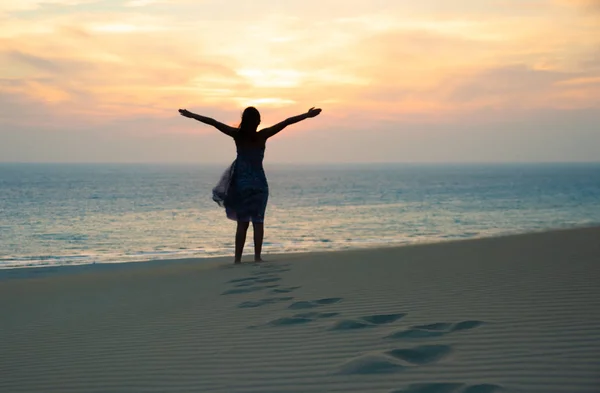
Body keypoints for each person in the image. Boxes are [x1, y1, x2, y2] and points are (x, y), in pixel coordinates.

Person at [178, 106, 322, 263]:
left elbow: (213, 122)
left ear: (243, 121)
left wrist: (191, 115)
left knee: (242, 223)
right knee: (258, 222)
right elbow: (286, 122)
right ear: (258, 121)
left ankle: (237, 260)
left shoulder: (237, 135)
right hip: (260, 184)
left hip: (242, 185)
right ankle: (257, 257)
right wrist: (307, 115)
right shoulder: (263, 135)